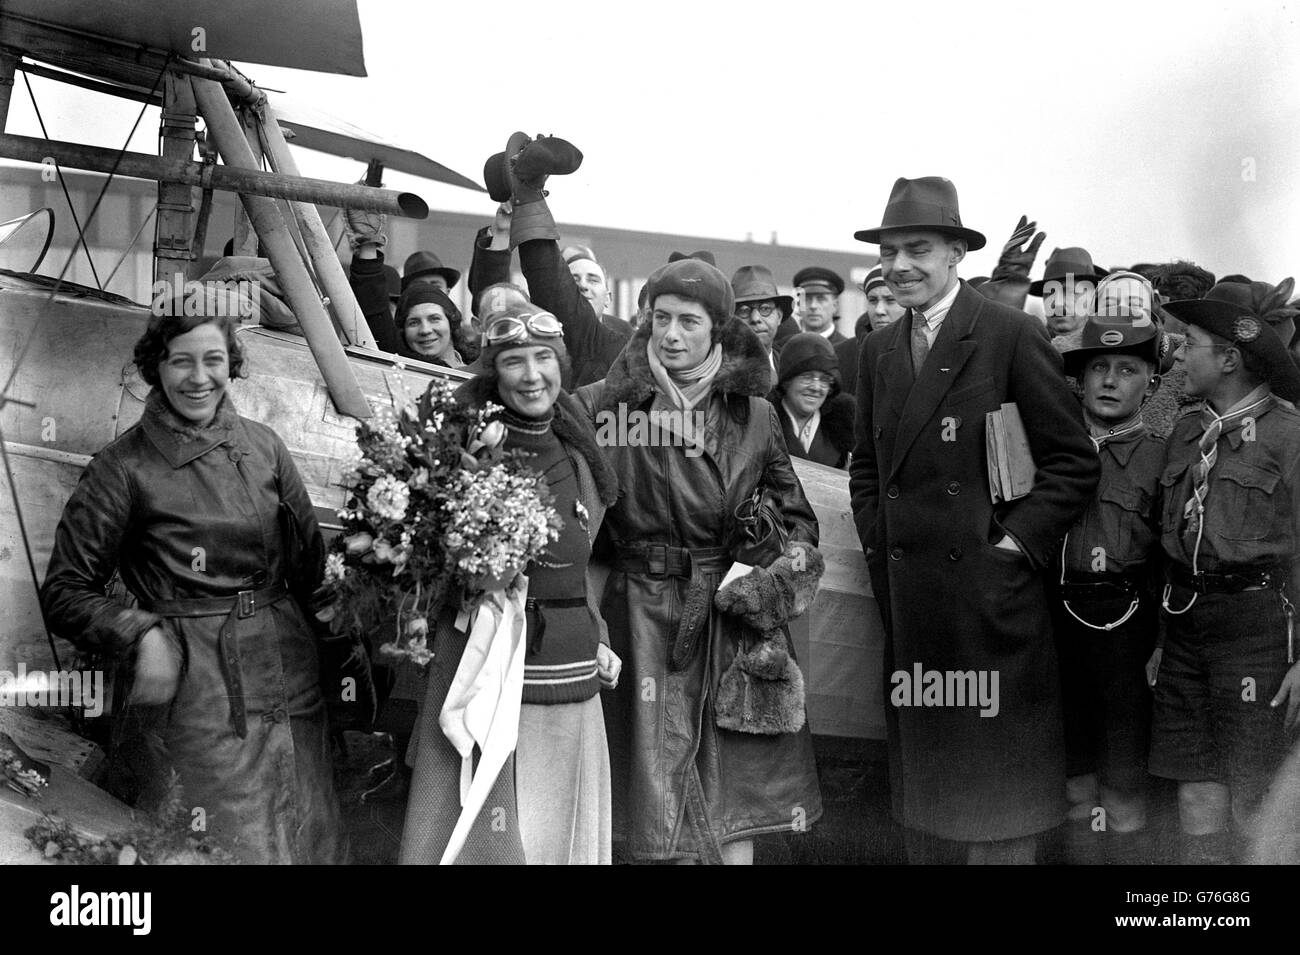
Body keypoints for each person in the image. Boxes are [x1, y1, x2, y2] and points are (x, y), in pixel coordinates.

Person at [849, 176, 1099, 864]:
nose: (900, 266)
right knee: (927, 822)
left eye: (918, 249)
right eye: (890, 251)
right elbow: (868, 470)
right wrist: (880, 545)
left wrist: (1012, 546)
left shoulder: (1010, 333)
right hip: (913, 611)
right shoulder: (875, 350)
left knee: (1001, 817)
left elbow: (1073, 462)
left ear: (957, 251)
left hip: (991, 614)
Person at [40, 308, 346, 864]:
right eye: (182, 362)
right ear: (156, 369)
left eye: (213, 360)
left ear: (232, 366)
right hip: (195, 682)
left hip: (286, 667)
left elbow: (309, 566)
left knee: (309, 833)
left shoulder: (265, 446)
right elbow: (65, 590)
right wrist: (142, 634)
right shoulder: (121, 467)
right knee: (220, 844)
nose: (199, 377)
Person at [575, 258, 824, 864]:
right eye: (661, 318)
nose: (672, 335)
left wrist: (768, 584)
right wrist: (590, 626)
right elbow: (577, 537)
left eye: (689, 321)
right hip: (637, 618)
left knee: (730, 811)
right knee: (652, 811)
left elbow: (801, 527)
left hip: (729, 623)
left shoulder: (756, 415)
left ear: (718, 330)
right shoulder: (602, 407)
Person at [400, 305, 621, 865]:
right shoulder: (463, 451)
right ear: (492, 374)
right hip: (485, 670)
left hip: (570, 672)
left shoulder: (578, 453)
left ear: (561, 365)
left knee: (556, 836)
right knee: (493, 835)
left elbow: (581, 562)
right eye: (514, 362)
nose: (532, 376)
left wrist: (598, 636)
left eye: (544, 358)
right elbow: (434, 571)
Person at [1148, 278, 1300, 865]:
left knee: (1254, 800)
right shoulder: (1185, 429)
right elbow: (1169, 544)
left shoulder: (1290, 438)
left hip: (1258, 633)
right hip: (1185, 629)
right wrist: (1164, 638)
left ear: (1231, 358)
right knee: (1196, 797)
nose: (1177, 354)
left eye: (1188, 344)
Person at [1053, 310, 1166, 864]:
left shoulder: (1164, 460)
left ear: (1153, 381)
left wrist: (1162, 643)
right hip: (1053, 628)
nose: (1109, 380)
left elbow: (1174, 560)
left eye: (1127, 368)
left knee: (1122, 789)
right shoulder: (1049, 449)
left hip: (1128, 636)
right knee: (1072, 787)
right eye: (1098, 366)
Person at [470, 133, 630, 389]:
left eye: (593, 279)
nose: (582, 285)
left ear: (609, 296)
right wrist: (503, 231)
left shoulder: (623, 347)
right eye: (572, 278)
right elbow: (493, 302)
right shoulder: (529, 329)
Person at [770, 332, 855, 469]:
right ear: (787, 380)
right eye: (807, 377)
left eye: (824, 379)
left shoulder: (843, 433)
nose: (816, 387)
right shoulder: (764, 424)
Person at [731, 264, 796, 387]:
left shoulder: (790, 368)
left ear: (779, 316)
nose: (755, 319)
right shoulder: (716, 369)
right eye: (744, 310)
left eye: (765, 309)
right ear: (731, 320)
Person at [1029, 246, 1109, 339]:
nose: (1058, 303)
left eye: (1070, 292)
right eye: (1049, 293)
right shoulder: (1029, 346)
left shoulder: (1112, 347)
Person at [394, 284, 467, 368]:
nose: (425, 330)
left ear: (451, 323)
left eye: (434, 319)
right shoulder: (397, 376)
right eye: (413, 323)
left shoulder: (479, 373)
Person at [793, 266, 847, 343]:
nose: (813, 306)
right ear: (799, 304)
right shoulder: (782, 347)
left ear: (835, 305)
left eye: (821, 299)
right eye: (807, 299)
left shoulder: (851, 350)